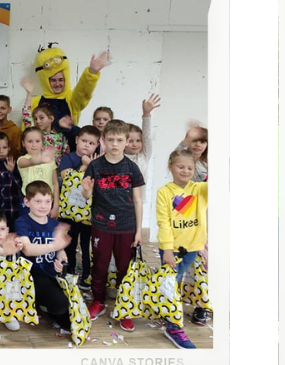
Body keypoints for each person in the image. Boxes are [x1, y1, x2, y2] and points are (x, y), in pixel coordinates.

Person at [87, 120, 150, 331]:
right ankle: (98, 301)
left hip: (126, 226)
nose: (115, 144)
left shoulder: (132, 167)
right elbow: (87, 195)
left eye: (120, 140)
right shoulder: (95, 165)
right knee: (100, 266)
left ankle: (125, 308)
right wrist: (86, 189)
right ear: (103, 140)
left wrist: (139, 231)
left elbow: (138, 200)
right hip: (101, 225)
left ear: (126, 142)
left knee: (125, 269)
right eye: (111, 139)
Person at [155, 149, 208, 338]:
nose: (185, 171)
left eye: (190, 168)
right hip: (172, 250)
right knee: (171, 282)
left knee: (176, 280)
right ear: (171, 167)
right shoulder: (164, 192)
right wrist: (167, 249)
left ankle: (166, 307)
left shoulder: (199, 189)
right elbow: (164, 222)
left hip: (192, 247)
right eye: (180, 167)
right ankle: (170, 318)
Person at [11, 180, 74, 335]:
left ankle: (45, 304)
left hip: (51, 273)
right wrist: (56, 245)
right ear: (27, 202)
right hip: (32, 276)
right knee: (59, 306)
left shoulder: (54, 224)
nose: (43, 206)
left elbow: (60, 251)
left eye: (47, 201)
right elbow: (28, 250)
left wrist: (61, 259)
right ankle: (37, 303)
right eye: (38, 201)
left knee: (72, 313)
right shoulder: (22, 222)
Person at [23, 45, 110, 140]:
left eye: (61, 80)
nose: (57, 84)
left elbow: (83, 91)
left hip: (69, 149)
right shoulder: (35, 102)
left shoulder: (71, 98)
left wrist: (91, 72)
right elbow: (26, 129)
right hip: (42, 151)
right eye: (53, 80)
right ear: (45, 81)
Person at [56, 126, 101, 282]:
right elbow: (66, 176)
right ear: (76, 140)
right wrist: (85, 166)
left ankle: (87, 275)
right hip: (69, 212)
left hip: (88, 213)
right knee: (70, 242)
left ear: (97, 146)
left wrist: (93, 165)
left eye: (91, 143)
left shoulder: (98, 161)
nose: (86, 145)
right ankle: (71, 272)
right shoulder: (69, 158)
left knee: (87, 245)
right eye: (83, 141)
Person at [0, 94, 25, 163]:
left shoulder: (15, 130)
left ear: (9, 109)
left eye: (3, 108)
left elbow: (19, 152)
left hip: (10, 168)